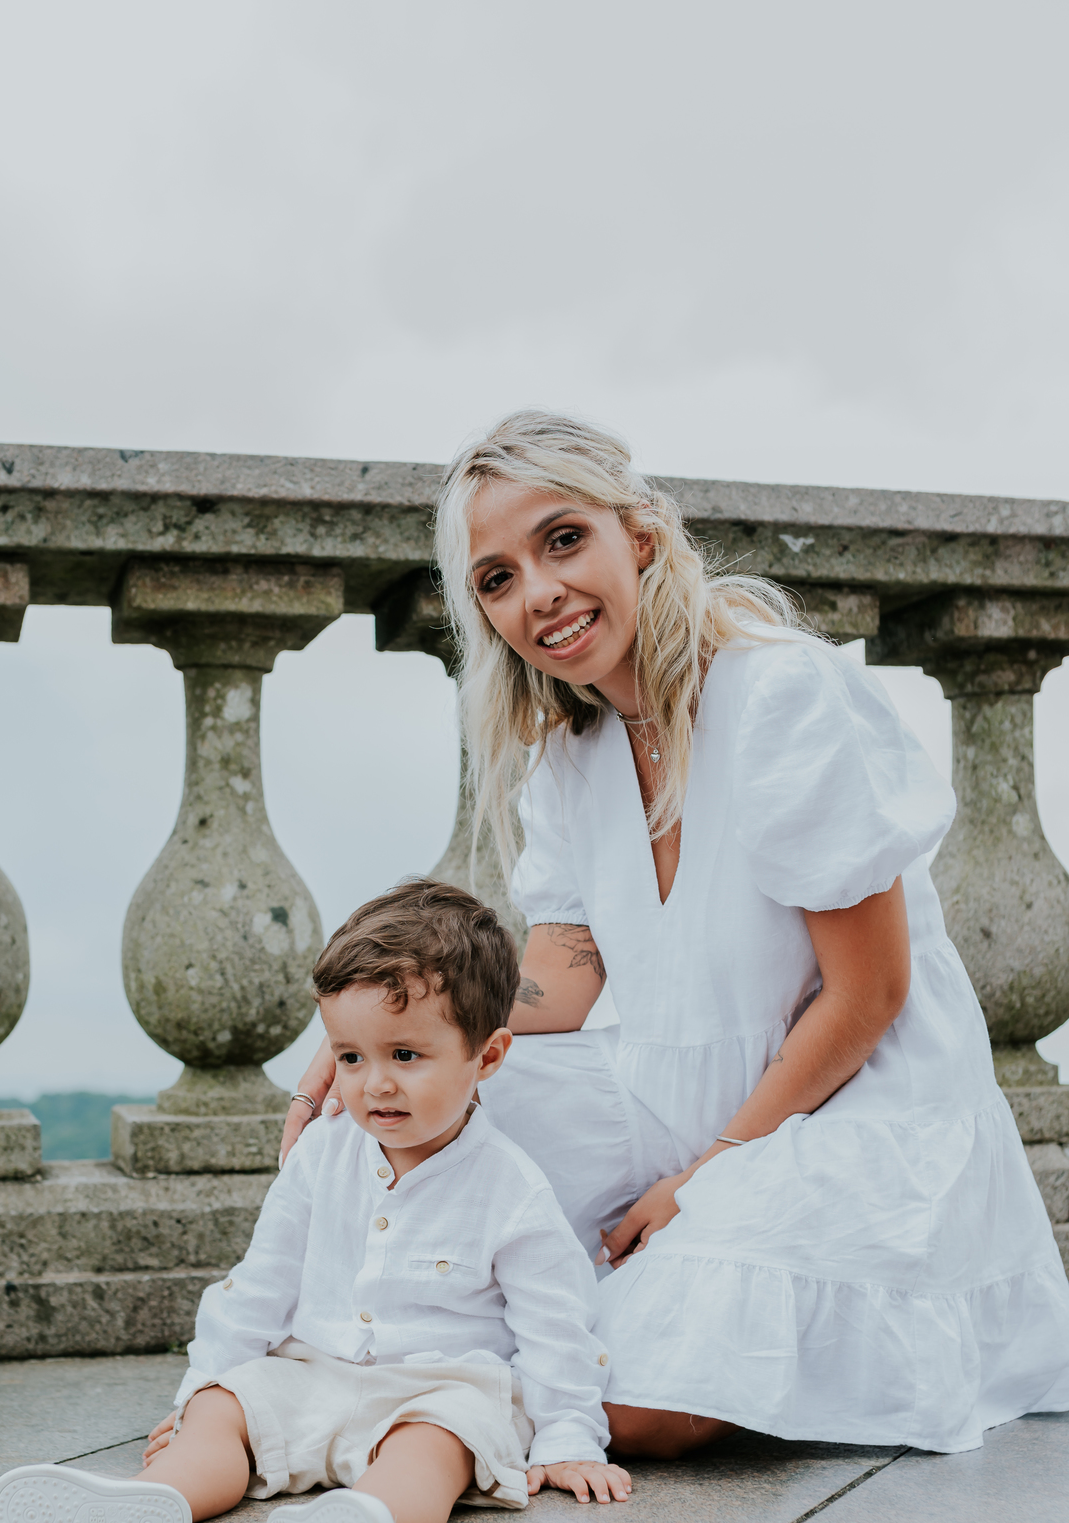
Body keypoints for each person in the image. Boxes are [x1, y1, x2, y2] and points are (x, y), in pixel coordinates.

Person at [283, 410, 1069, 1462]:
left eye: (563, 540)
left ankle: (415, 1403)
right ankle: (384, 1370)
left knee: (643, 1399)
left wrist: (705, 1179)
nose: (540, 594)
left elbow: (869, 997)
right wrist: (386, 1036)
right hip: (662, 1092)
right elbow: (561, 980)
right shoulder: (571, 750)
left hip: (848, 1112)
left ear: (640, 537)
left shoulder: (781, 692)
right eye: (498, 577)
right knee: (386, 1109)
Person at [0, 880, 629, 1523]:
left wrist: (570, 1440)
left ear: (488, 1056)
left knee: (440, 1448)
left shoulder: (511, 1187)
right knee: (226, 1411)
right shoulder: (323, 1155)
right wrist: (202, 1390)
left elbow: (555, 1325)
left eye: (406, 1056)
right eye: (350, 1058)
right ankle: (150, 1500)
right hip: (312, 1371)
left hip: (435, 1389)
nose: (373, 1085)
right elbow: (261, 1283)